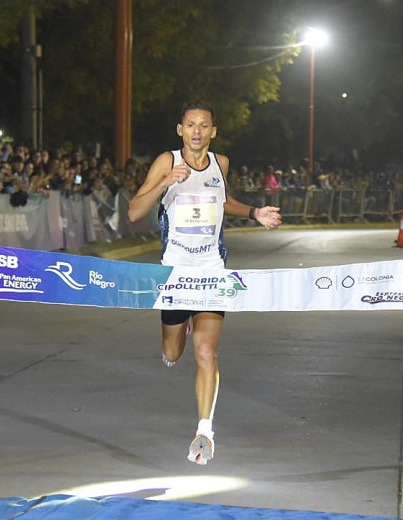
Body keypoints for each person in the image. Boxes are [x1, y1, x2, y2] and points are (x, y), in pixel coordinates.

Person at [127, 102, 282, 465]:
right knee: (173, 353)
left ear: (213, 132)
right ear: (180, 129)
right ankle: (174, 340)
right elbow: (134, 212)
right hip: (176, 274)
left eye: (204, 125)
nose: (197, 131)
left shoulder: (220, 163)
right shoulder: (167, 161)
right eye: (191, 124)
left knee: (207, 352)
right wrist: (166, 182)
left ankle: (204, 431)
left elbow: (222, 201)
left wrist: (255, 212)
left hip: (212, 271)